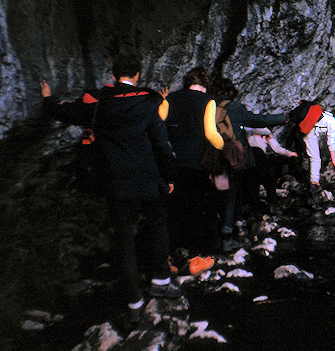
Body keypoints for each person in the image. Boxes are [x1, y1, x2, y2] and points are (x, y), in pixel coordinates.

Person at [40, 54, 183, 323]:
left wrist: (48, 98)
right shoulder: (147, 101)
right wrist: (170, 176)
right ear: (138, 75)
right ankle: (161, 280)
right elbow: (161, 142)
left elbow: (65, 111)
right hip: (147, 177)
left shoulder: (96, 102)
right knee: (156, 224)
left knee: (124, 236)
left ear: (113, 74)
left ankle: (134, 301)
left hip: (115, 180)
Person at [210, 77, 288, 249]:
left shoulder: (209, 107)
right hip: (233, 159)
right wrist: (284, 117)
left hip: (215, 159)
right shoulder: (234, 107)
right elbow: (260, 121)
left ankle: (223, 228)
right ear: (230, 92)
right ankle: (230, 232)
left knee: (220, 193)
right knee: (233, 194)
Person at [161, 67, 224, 254]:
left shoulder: (171, 98)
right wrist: (224, 146)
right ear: (205, 84)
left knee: (173, 206)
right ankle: (194, 251)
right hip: (197, 162)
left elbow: (158, 122)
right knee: (196, 206)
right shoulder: (208, 101)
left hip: (172, 160)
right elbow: (211, 133)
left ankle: (171, 249)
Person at [244, 127, 297, 204]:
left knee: (252, 182)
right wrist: (290, 154)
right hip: (260, 157)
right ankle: (272, 203)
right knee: (268, 182)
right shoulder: (266, 133)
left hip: (248, 158)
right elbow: (277, 149)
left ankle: (253, 205)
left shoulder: (246, 130)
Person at [304, 108, 335, 202]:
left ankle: (308, 174)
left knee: (311, 155)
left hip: (306, 128)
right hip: (310, 133)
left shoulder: (326, 114)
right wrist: (333, 160)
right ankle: (313, 185)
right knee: (316, 159)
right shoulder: (332, 121)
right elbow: (331, 142)